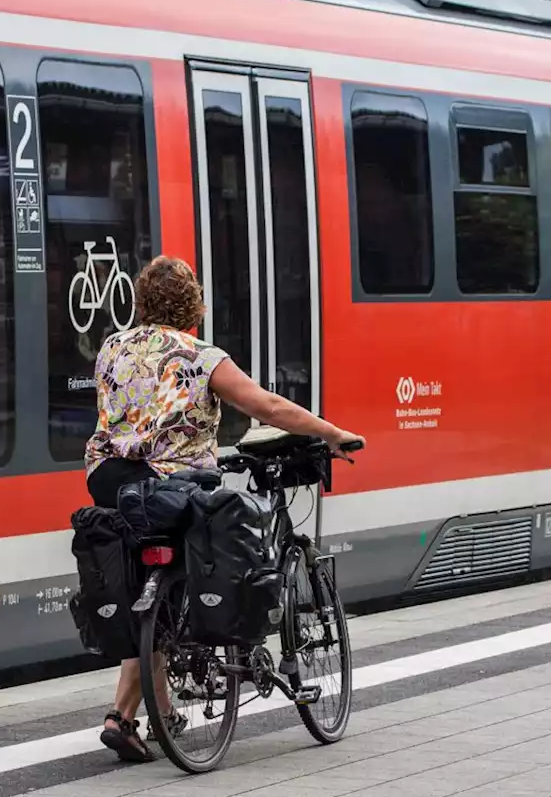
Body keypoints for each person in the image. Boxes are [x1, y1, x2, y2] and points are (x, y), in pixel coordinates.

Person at [84, 255, 363, 763]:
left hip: (111, 481)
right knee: (200, 569)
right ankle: (158, 695)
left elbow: (134, 417)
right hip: (172, 485)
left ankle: (132, 716)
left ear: (142, 300)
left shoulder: (111, 347)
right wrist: (330, 431)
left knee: (151, 592)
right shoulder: (200, 355)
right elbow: (268, 408)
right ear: (192, 304)